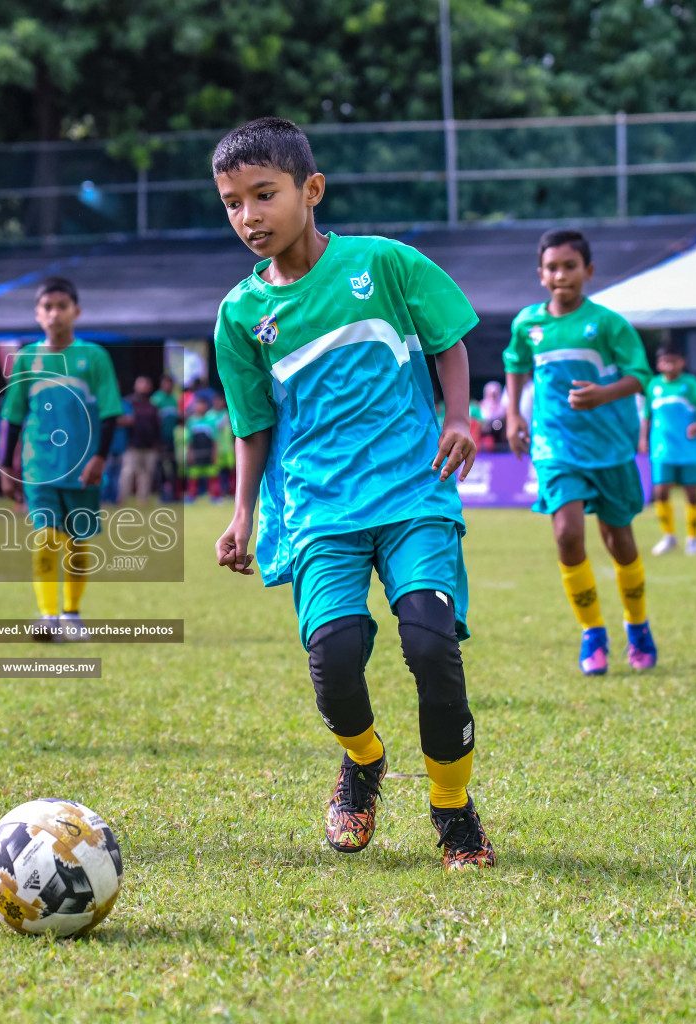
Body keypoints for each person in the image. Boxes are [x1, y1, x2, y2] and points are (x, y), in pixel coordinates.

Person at [210, 117, 492, 870]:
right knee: (334, 659)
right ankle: (362, 761)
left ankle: (453, 811)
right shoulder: (241, 314)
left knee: (431, 645)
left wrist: (459, 416)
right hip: (316, 509)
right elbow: (252, 424)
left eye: (263, 195)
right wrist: (243, 513)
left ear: (312, 189)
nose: (249, 218)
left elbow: (448, 341)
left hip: (413, 492)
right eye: (233, 203)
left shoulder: (386, 264)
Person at [505, 228, 655, 677]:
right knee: (568, 534)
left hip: (609, 447)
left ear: (587, 272)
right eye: (552, 267)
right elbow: (515, 363)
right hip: (556, 446)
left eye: (570, 266)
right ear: (541, 274)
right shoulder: (528, 323)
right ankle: (593, 633)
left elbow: (640, 376)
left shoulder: (608, 323)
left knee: (619, 541)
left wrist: (604, 394)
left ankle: (638, 625)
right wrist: (514, 416)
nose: (560, 275)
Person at [0, 277, 124, 643]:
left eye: (61, 306)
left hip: (82, 466)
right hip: (39, 467)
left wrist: (100, 457)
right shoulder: (25, 359)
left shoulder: (95, 356)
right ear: (38, 314)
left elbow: (111, 411)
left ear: (76, 311)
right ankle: (48, 617)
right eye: (47, 307)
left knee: (77, 543)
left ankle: (72, 613)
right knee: (46, 537)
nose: (54, 314)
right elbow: (13, 415)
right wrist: (6, 466)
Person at [643, 347, 696, 557]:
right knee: (660, 492)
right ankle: (669, 536)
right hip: (662, 449)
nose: (669, 365)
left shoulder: (689, 384)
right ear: (658, 364)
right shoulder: (653, 385)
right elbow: (647, 414)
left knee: (691, 493)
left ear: (682, 362)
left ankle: (693, 537)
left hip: (687, 450)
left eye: (673, 361)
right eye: (665, 361)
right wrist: (642, 439)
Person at [119, 376, 161, 506]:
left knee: (146, 474)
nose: (144, 387)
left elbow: (156, 425)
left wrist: (157, 443)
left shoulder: (152, 405)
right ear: (136, 386)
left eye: (146, 385)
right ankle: (122, 498)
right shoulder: (128, 403)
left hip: (149, 446)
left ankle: (142, 500)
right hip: (132, 445)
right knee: (128, 472)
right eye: (141, 384)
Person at [184, 394, 222, 501]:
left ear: (206, 406)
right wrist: (190, 453)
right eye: (198, 405)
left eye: (202, 405)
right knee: (193, 476)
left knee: (213, 475)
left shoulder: (211, 420)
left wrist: (214, 453)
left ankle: (215, 496)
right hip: (196, 454)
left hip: (208, 453)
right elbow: (189, 440)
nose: (200, 407)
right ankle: (191, 496)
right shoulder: (191, 421)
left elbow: (215, 439)